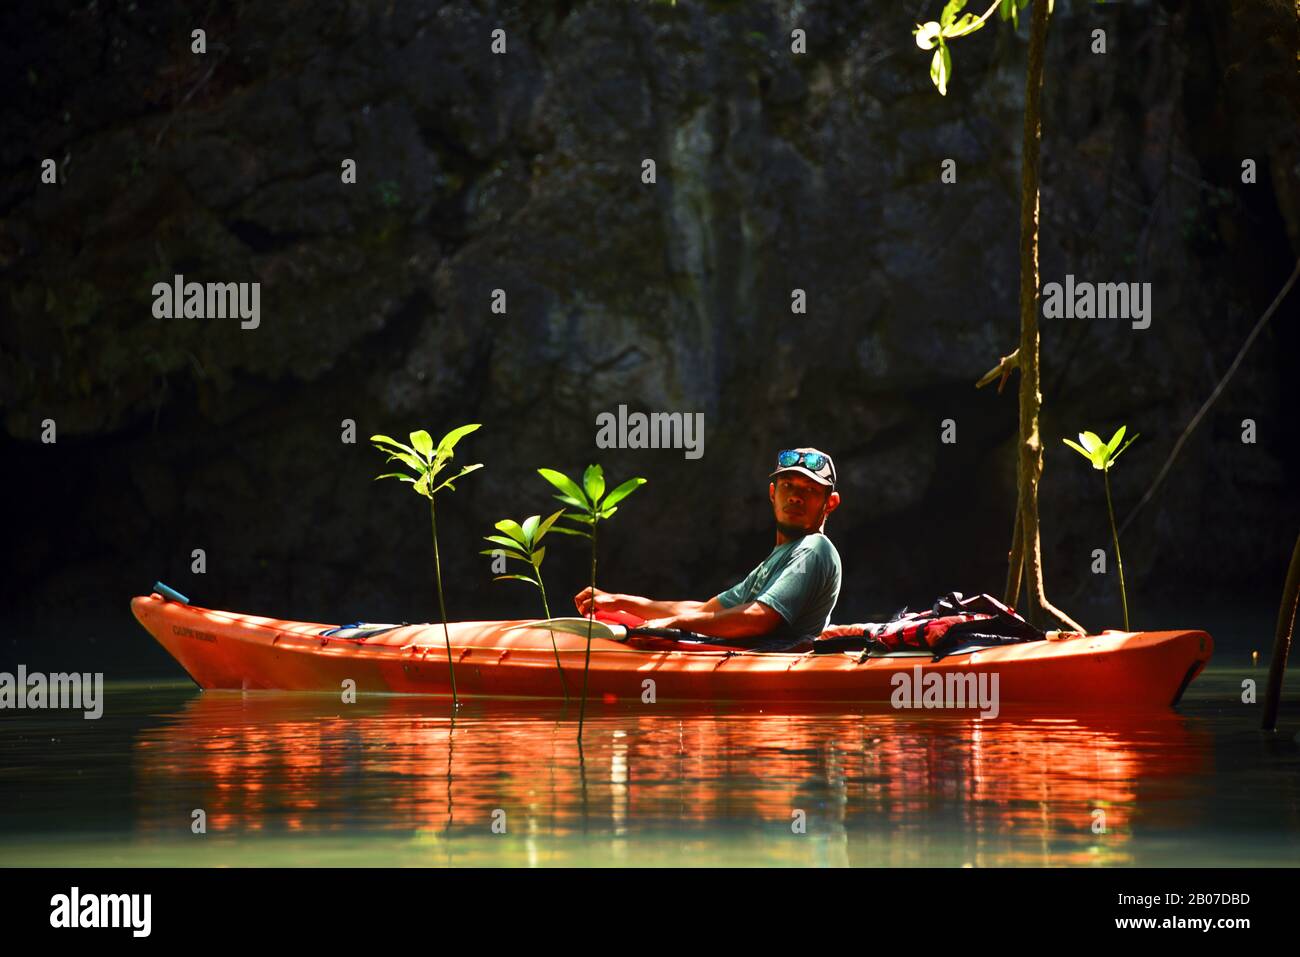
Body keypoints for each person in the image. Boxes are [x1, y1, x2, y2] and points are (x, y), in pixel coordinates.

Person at [573, 448, 842, 650]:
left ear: (830, 503)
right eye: (788, 485)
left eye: (810, 489)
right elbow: (706, 611)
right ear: (773, 493)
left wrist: (675, 625)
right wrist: (621, 600)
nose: (796, 495)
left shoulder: (813, 548)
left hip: (774, 662)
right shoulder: (778, 558)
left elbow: (758, 619)